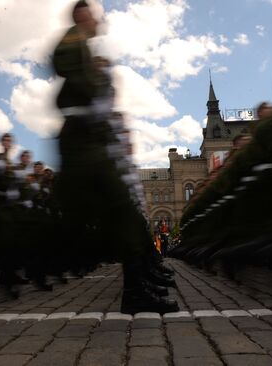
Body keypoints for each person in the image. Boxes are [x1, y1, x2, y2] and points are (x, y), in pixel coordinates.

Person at [52, 0, 178, 314]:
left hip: (93, 144)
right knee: (94, 222)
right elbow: (64, 71)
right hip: (84, 143)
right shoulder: (73, 43)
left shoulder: (83, 49)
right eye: (92, 15)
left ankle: (138, 287)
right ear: (81, 15)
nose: (97, 20)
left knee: (123, 219)